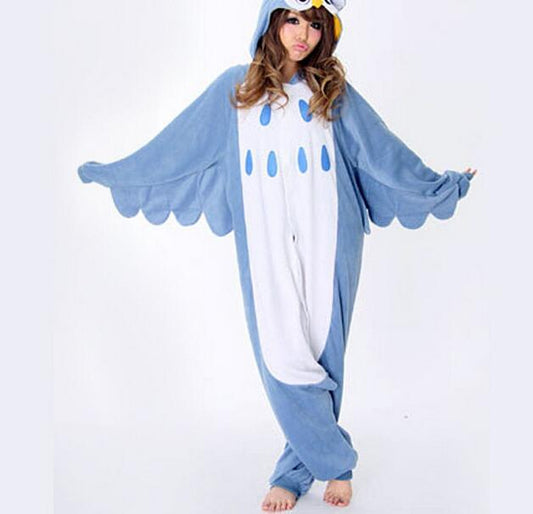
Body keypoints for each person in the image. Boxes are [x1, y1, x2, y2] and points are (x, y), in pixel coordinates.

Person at [77, 0, 478, 511]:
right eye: (292, 19)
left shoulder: (332, 93)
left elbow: (382, 153)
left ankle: (292, 471)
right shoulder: (237, 90)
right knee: (280, 353)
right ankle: (334, 459)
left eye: (314, 24)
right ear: (272, 21)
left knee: (323, 351)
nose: (302, 34)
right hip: (264, 238)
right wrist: (117, 172)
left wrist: (440, 185)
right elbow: (176, 150)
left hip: (332, 233)